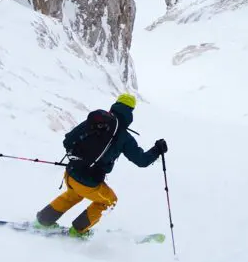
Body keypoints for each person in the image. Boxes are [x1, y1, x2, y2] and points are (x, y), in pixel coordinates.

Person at [34, 93, 166, 236]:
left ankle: (43, 220)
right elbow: (142, 161)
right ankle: (78, 230)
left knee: (73, 195)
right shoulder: (125, 137)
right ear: (130, 112)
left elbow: (68, 140)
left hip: (71, 173)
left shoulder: (95, 122)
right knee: (110, 201)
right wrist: (157, 150)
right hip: (89, 182)